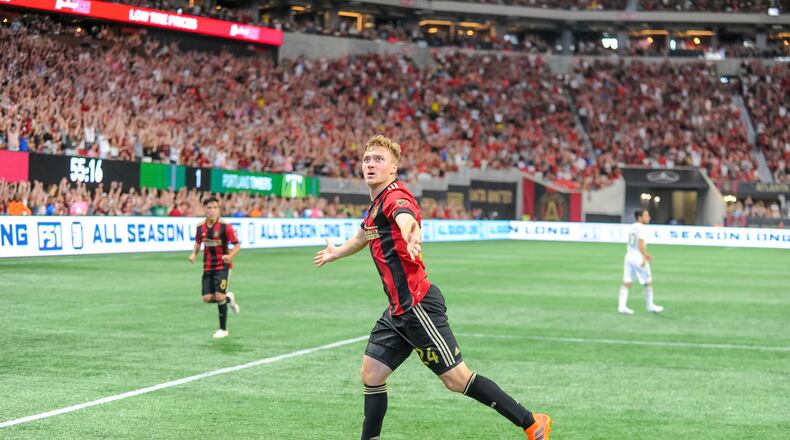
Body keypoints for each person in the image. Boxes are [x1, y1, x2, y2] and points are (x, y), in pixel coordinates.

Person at [314, 135, 552, 440]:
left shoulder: (395, 196)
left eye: (379, 159)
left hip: (418, 305)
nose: (370, 164)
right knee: (371, 373)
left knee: (457, 380)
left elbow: (405, 217)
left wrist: (411, 233)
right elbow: (363, 236)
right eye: (367, 159)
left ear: (393, 168)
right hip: (397, 310)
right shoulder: (376, 204)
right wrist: (336, 252)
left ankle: (532, 422)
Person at [188, 197, 241, 338]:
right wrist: (194, 254)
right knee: (206, 298)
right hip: (207, 267)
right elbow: (198, 242)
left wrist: (230, 256)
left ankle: (223, 329)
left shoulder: (225, 227)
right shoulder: (200, 227)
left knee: (219, 296)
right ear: (205, 209)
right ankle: (229, 299)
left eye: (215, 208)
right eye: (209, 208)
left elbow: (237, 245)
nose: (212, 211)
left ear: (219, 210)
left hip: (223, 266)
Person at [618, 209, 664, 315]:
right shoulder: (642, 228)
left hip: (629, 255)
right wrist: (644, 257)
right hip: (637, 257)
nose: (649, 218)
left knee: (627, 282)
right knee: (648, 281)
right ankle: (650, 306)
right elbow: (641, 243)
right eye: (646, 216)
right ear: (639, 217)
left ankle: (621, 307)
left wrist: (645, 254)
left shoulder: (632, 227)